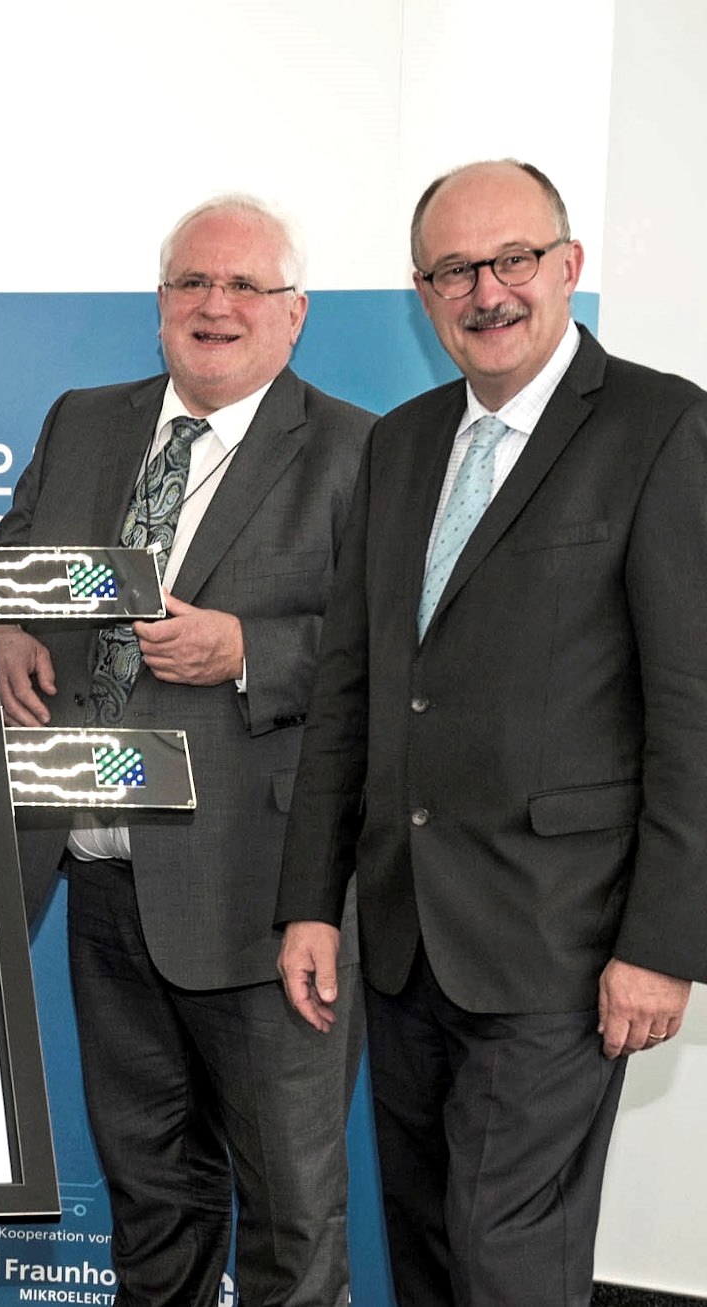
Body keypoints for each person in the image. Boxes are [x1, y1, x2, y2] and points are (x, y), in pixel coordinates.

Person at [276, 159, 707, 1306]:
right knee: (425, 1247)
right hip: (405, 935)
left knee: (504, 1255)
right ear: (421, 292)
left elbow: (692, 706)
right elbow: (351, 686)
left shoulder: (662, 426)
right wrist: (310, 899)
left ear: (567, 265)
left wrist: (662, 941)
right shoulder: (399, 441)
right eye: (453, 269)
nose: (486, 290)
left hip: (562, 941)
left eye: (511, 258)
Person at [0, 195, 372, 1306]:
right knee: (150, 1202)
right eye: (192, 282)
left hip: (265, 895)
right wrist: (4, 624)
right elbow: (10, 556)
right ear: (159, 303)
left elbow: (394, 650)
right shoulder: (82, 421)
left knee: (290, 1212)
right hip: (100, 879)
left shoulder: (359, 449)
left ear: (294, 312)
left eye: (245, 285)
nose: (215, 305)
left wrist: (250, 649)